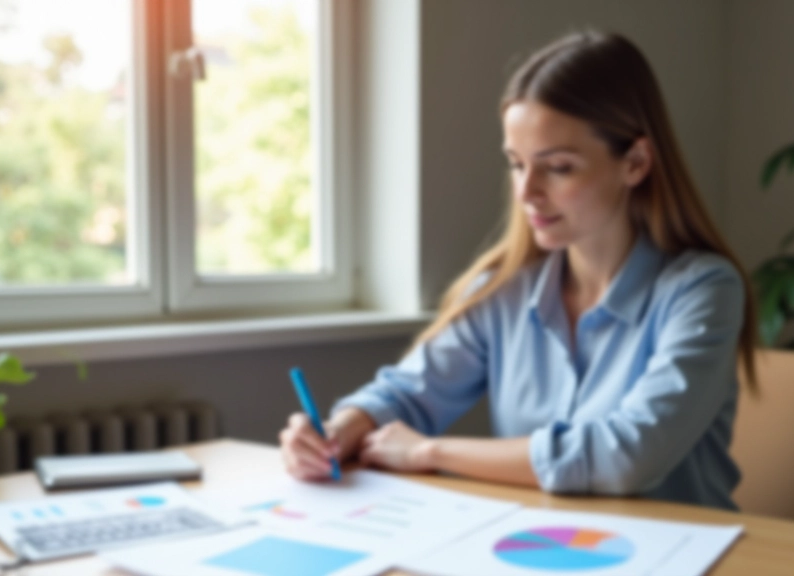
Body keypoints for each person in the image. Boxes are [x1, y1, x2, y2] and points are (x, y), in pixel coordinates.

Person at [278, 30, 758, 510]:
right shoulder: (503, 291)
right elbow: (406, 394)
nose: (526, 192)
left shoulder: (703, 289)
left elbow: (627, 456)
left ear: (634, 162)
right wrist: (339, 432)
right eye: (516, 164)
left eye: (559, 167)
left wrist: (429, 452)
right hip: (545, 547)